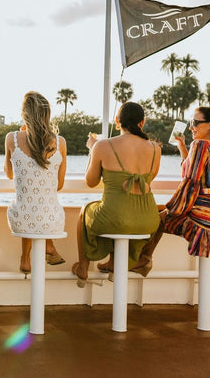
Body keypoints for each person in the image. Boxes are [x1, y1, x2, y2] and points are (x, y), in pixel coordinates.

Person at [135, 106, 210, 269]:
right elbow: (193, 171)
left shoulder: (200, 144)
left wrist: (172, 211)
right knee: (158, 212)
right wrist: (182, 147)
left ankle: (142, 259)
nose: (191, 127)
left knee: (153, 216)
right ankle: (144, 259)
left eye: (195, 122)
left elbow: (190, 183)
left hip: (204, 219)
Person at [72, 101, 161, 287]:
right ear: (142, 122)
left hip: (116, 218)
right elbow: (150, 178)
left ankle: (83, 267)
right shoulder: (155, 148)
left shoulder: (102, 146)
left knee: (85, 211)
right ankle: (115, 263)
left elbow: (91, 182)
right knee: (122, 211)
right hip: (148, 219)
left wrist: (92, 150)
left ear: (117, 121)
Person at [4, 92, 67, 273]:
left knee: (27, 206)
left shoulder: (12, 138)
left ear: (24, 115)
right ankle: (49, 245)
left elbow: (9, 174)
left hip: (21, 219)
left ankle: (25, 257)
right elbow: (59, 185)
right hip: (53, 219)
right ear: (47, 115)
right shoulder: (59, 143)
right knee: (39, 208)